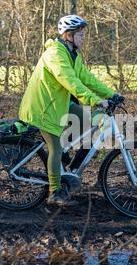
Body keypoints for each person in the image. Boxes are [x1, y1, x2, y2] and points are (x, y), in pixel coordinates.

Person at [19, 15, 117, 207]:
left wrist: (111, 94)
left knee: (93, 122)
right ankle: (54, 192)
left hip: (59, 105)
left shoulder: (72, 54)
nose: (83, 37)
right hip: (43, 108)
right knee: (55, 147)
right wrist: (96, 101)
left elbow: (86, 79)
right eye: (80, 34)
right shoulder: (55, 53)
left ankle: (70, 166)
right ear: (69, 35)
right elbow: (70, 81)